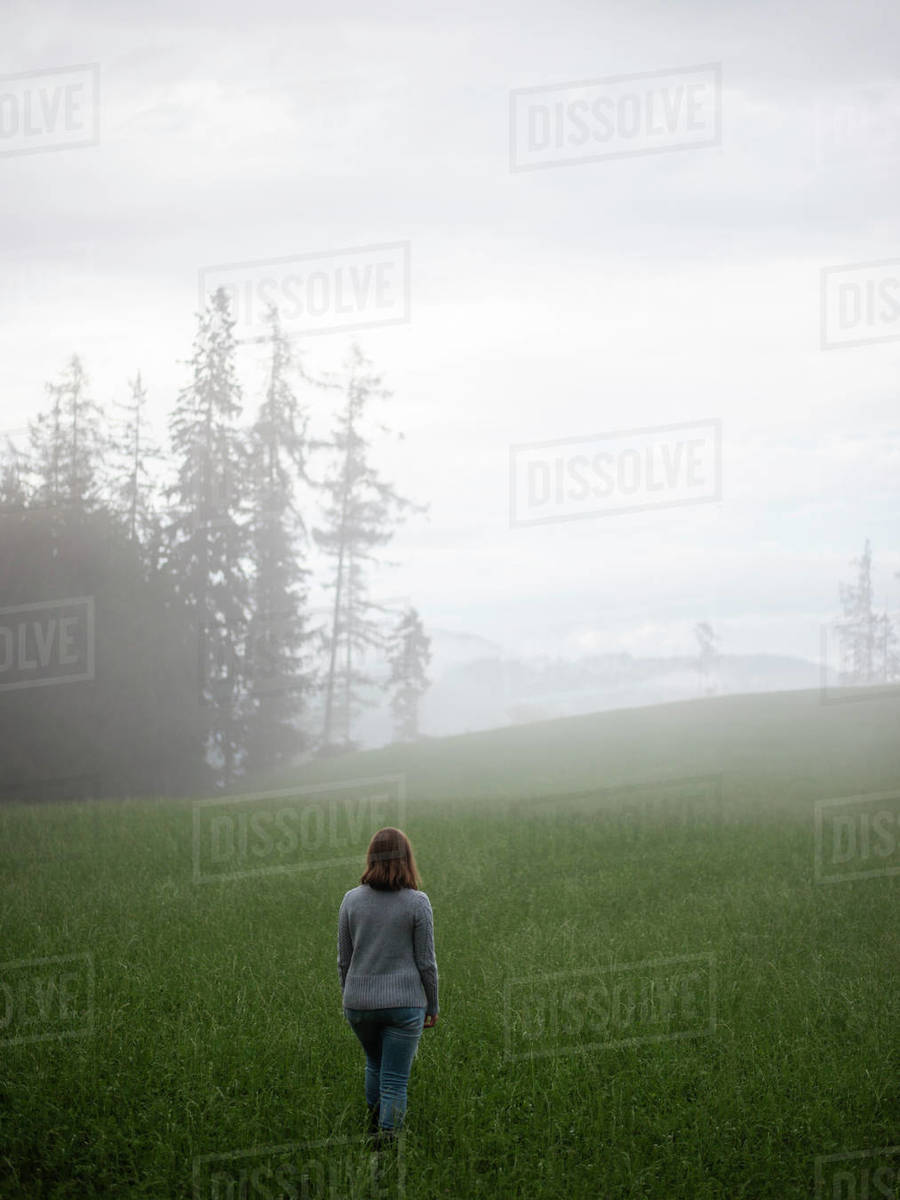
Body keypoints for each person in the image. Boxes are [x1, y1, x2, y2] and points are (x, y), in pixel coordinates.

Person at [337, 827, 439, 1148]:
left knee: (375, 1065)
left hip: (358, 1003)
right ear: (406, 858)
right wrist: (432, 1005)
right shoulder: (417, 902)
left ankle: (371, 1133)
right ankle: (387, 1150)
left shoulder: (351, 900)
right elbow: (426, 963)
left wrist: (350, 999)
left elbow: (344, 959)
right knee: (395, 1079)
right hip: (405, 1004)